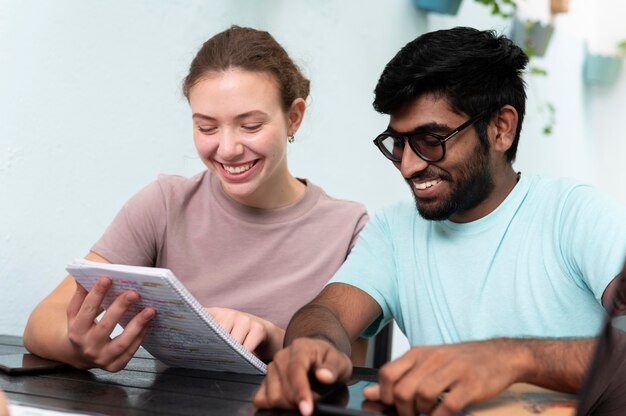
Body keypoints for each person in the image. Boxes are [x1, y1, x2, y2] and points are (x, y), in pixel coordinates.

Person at [253, 26, 626, 416]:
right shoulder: (394, 231)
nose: (409, 165)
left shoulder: (576, 215)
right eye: (398, 143)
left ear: (501, 128)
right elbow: (327, 313)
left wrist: (511, 358)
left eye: (432, 140)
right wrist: (313, 345)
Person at [22, 26, 368, 371]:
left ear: (293, 117)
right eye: (207, 127)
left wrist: (271, 337)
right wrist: (79, 348)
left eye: (250, 126)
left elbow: (353, 364)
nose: (228, 149)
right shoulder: (165, 204)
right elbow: (43, 321)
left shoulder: (348, 228)